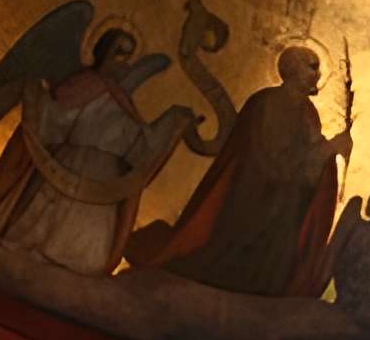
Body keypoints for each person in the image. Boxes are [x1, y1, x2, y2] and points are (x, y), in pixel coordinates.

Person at [0, 27, 188, 276]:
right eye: (118, 51)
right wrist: (31, 94)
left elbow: (138, 142)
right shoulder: (83, 84)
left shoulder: (122, 100)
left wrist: (172, 126)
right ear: (103, 51)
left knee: (84, 257)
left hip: (103, 187)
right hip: (67, 169)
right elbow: (51, 118)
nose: (122, 61)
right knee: (37, 240)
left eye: (127, 55)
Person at [127, 43, 347, 294]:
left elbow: (307, 160)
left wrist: (326, 152)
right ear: (293, 70)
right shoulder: (267, 102)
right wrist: (326, 150)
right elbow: (270, 159)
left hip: (286, 198)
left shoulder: (308, 112)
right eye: (312, 67)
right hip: (254, 196)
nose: (317, 74)